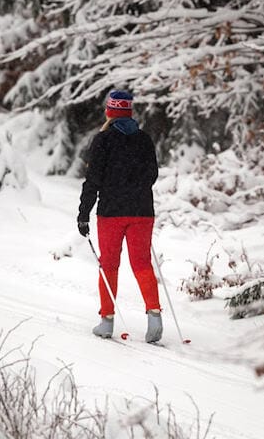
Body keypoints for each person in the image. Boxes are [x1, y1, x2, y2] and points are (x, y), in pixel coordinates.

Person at [77, 90, 162, 343]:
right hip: (142, 212)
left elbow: (92, 180)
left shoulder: (103, 140)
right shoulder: (144, 139)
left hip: (111, 213)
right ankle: (155, 317)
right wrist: (135, 188)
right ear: (130, 112)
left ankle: (106, 321)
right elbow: (153, 175)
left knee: (109, 265)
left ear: (109, 111)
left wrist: (84, 213)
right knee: (142, 264)